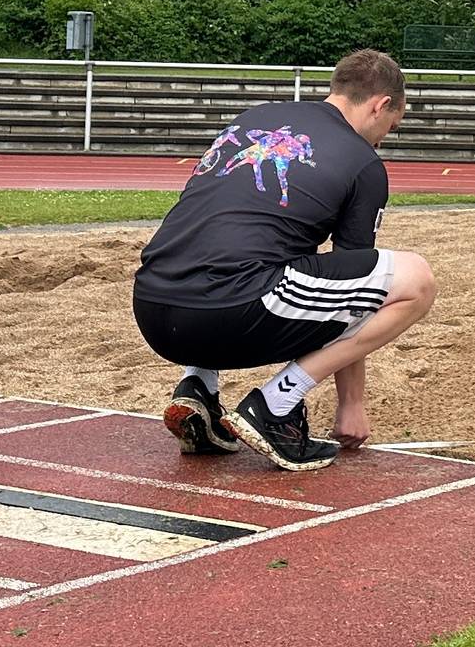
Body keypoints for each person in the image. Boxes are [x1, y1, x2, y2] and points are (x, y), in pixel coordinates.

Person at [132, 49, 437, 471]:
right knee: (415, 280)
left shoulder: (257, 116)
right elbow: (356, 294)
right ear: (381, 104)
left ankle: (198, 386)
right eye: (391, 126)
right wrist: (352, 403)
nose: (383, 139)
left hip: (153, 310)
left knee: (246, 249)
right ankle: (275, 404)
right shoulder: (363, 162)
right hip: (231, 310)